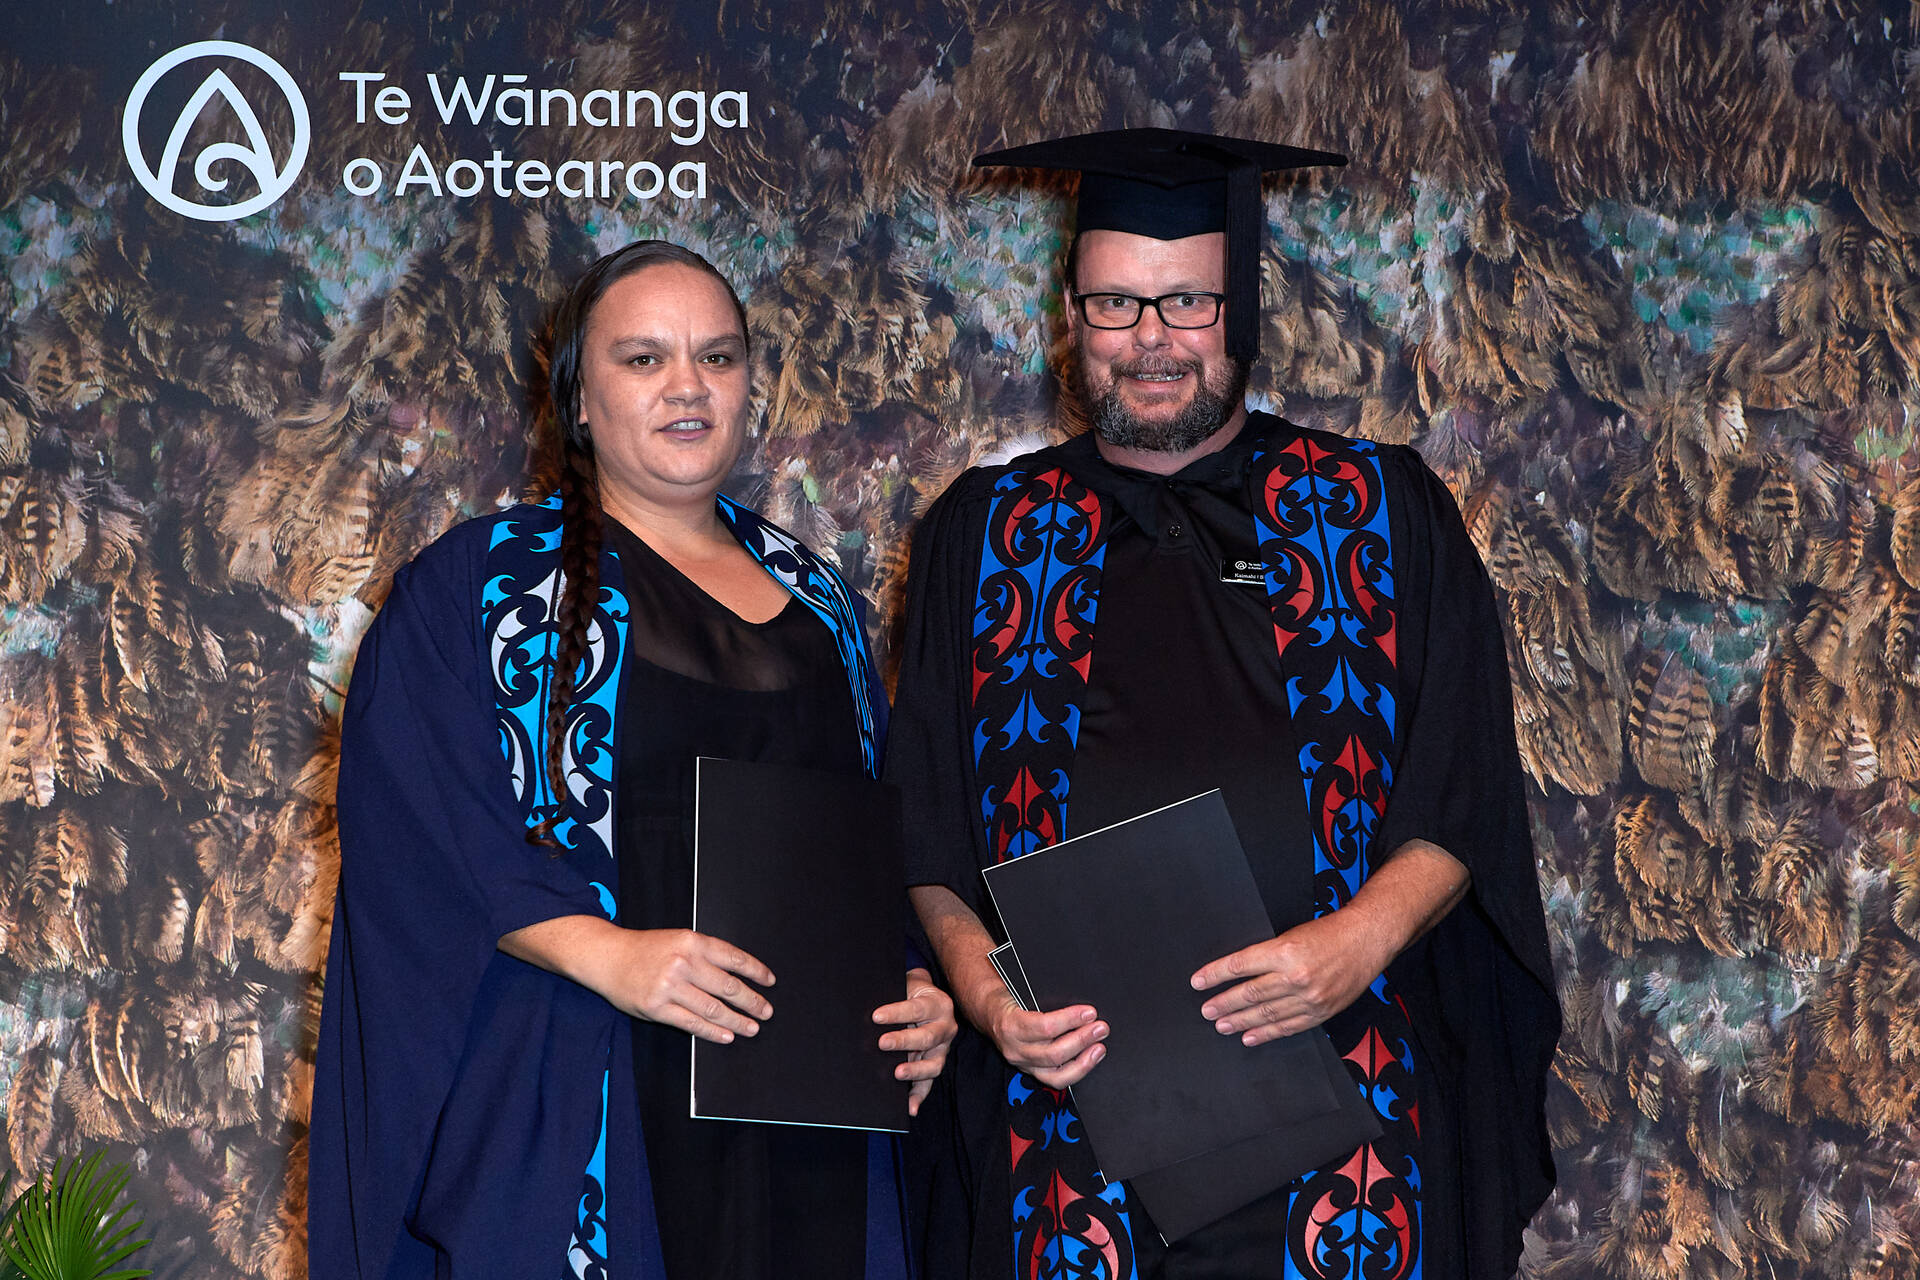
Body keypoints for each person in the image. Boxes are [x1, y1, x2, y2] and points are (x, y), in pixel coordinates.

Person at [887, 129, 1561, 1279]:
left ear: (1239, 310)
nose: (1149, 339)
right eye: (1115, 304)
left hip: (1344, 1114)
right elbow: (927, 827)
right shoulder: (984, 530)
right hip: (1065, 1133)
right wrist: (991, 1000)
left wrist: (1354, 943)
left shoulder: (1379, 509)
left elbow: (1462, 789)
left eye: (1186, 301)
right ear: (1071, 316)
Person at [310, 239, 957, 1279]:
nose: (688, 386)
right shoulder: (485, 589)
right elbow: (422, 827)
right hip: (589, 1083)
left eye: (717, 356)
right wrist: (613, 956)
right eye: (644, 358)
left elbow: (871, 847)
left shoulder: (822, 600)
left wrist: (913, 981)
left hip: (809, 1114)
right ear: (578, 396)